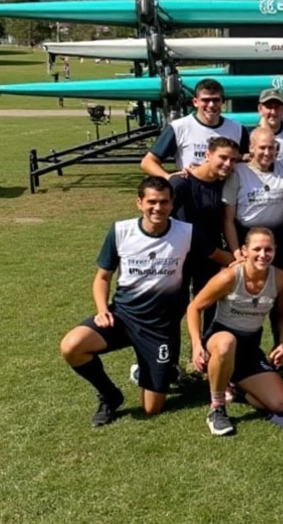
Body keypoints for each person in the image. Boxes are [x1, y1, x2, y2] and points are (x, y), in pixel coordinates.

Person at [59, 177, 214, 426]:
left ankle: (155, 368)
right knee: (72, 346)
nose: (158, 208)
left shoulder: (186, 232)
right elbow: (102, 277)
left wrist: (247, 262)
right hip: (122, 317)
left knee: (152, 408)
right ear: (139, 203)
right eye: (151, 202)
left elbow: (219, 256)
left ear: (172, 203)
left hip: (160, 328)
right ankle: (110, 395)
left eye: (164, 202)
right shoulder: (121, 231)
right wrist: (101, 310)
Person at [186, 227, 283, 436]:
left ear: (275, 250)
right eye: (257, 249)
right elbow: (194, 307)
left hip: (249, 347)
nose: (263, 254)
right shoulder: (230, 276)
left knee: (280, 404)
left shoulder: (279, 278)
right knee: (227, 343)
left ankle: (236, 386)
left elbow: (281, 316)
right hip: (220, 338)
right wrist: (197, 344)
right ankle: (217, 408)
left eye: (268, 249)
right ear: (244, 250)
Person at [168, 137, 240, 333]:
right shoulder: (180, 182)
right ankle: (166, 359)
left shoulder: (222, 184)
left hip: (211, 257)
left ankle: (207, 355)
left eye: (233, 160)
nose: (228, 164)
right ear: (207, 155)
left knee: (210, 306)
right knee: (174, 309)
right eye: (223, 157)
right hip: (179, 256)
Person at [142, 79, 246, 178]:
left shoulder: (237, 129)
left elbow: (248, 161)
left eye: (216, 100)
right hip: (191, 191)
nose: (211, 105)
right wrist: (169, 178)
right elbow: (148, 162)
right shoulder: (179, 127)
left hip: (228, 192)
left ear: (223, 102)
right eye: (205, 100)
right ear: (195, 102)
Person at [223, 129, 283, 271]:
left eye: (271, 148)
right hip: (246, 237)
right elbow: (228, 220)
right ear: (251, 148)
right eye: (262, 147)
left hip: (277, 237)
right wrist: (236, 252)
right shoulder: (237, 172)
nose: (267, 152)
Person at [253, 88, 283, 170]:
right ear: (260, 109)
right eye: (268, 107)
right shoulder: (255, 136)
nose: (273, 112)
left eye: (277, 107)